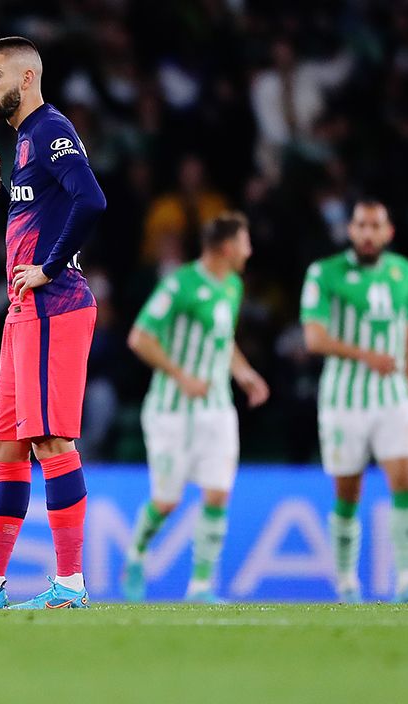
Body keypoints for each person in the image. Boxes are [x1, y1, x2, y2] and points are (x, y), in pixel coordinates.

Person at [0, 36, 106, 610]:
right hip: (25, 309)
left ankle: (71, 585)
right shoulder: (26, 140)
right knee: (6, 446)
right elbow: (45, 213)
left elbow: (92, 200)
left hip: (54, 304)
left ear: (26, 79)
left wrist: (50, 268)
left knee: (52, 438)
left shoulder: (52, 131)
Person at [121, 213, 269, 603]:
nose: (249, 251)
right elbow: (140, 338)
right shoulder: (181, 284)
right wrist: (180, 375)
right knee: (167, 500)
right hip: (171, 410)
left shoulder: (233, 286)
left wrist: (245, 373)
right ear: (225, 247)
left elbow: (223, 340)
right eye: (244, 242)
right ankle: (136, 554)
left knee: (218, 492)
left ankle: (201, 586)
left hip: (217, 408)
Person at [300, 200, 408, 603]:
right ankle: (346, 585)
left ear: (388, 232)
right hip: (344, 401)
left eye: (374, 225)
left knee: (405, 482)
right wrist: (366, 356)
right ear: (351, 231)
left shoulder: (404, 272)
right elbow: (314, 338)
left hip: (393, 397)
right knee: (348, 492)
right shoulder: (324, 273)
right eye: (360, 225)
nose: (366, 233)